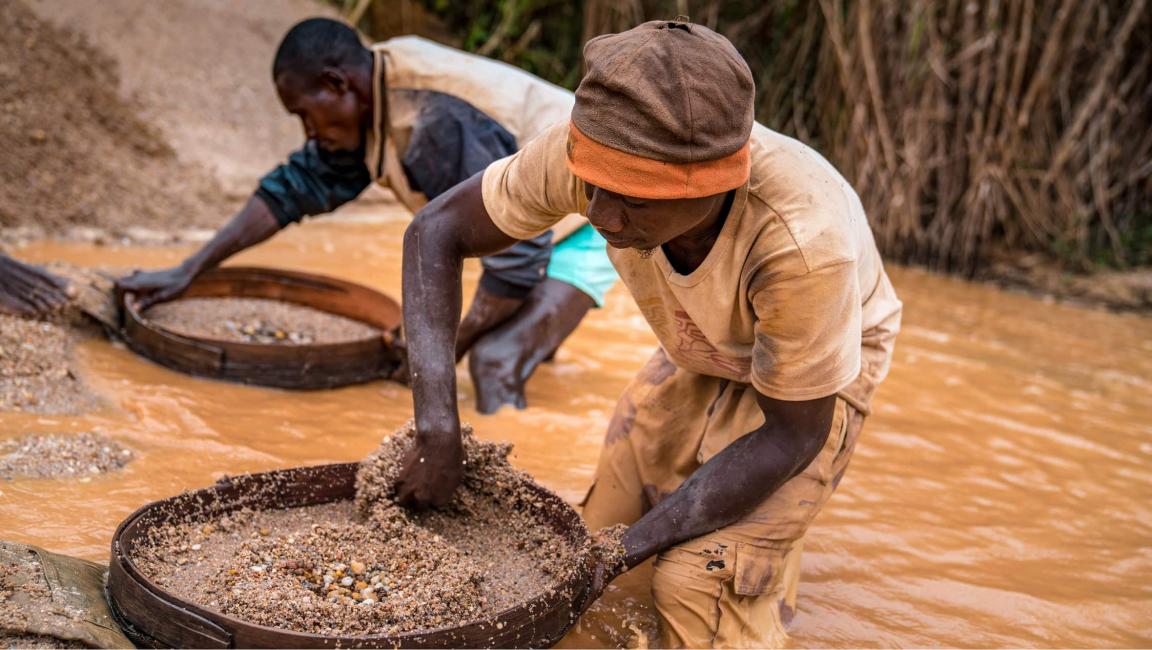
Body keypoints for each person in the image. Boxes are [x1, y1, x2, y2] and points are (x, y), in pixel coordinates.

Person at [395, 18, 903, 648]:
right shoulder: (593, 151)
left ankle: (754, 586)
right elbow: (434, 233)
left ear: (717, 181)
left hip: (811, 378)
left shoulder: (803, 243)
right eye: (594, 187)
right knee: (583, 543)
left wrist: (629, 549)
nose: (601, 217)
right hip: (698, 344)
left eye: (633, 198)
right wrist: (438, 427)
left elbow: (794, 433)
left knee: (693, 582)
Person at [115, 18, 617, 413]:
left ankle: (512, 500)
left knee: (495, 361)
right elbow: (291, 191)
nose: (308, 132)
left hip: (593, 209)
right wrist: (189, 270)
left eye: (304, 115)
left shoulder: (429, 123)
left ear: (337, 84)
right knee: (523, 342)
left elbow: (517, 259)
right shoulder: (364, 103)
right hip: (531, 224)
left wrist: (438, 353)